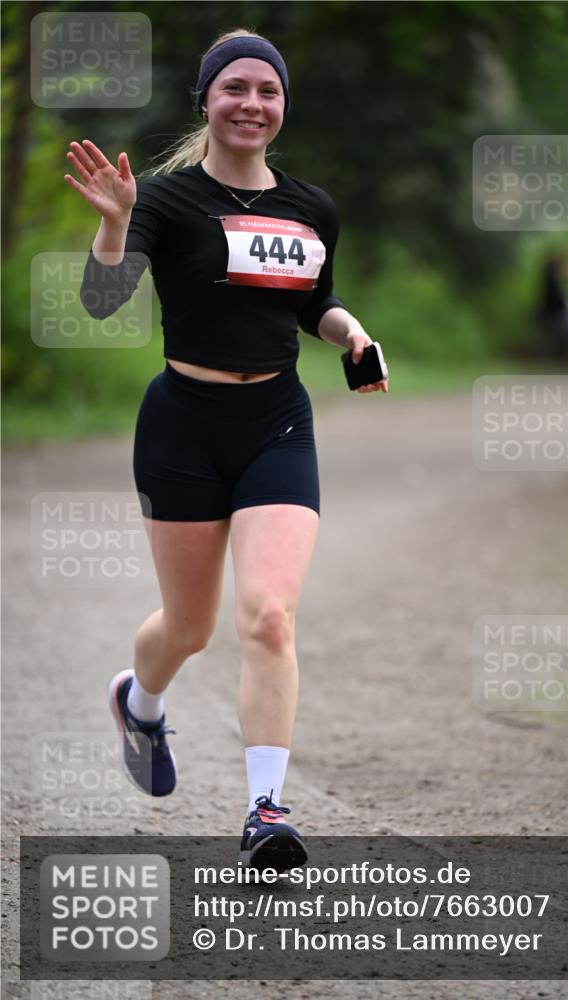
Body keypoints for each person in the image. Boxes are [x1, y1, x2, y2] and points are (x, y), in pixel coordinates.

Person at [66, 28, 388, 872]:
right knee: (190, 627)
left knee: (270, 616)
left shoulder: (310, 205)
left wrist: (347, 330)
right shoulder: (164, 201)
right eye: (235, 88)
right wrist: (113, 228)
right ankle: (139, 701)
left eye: (268, 91)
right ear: (207, 101)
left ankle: (266, 810)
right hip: (181, 425)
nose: (252, 103)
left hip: (277, 421)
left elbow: (309, 298)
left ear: (282, 106)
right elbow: (103, 303)